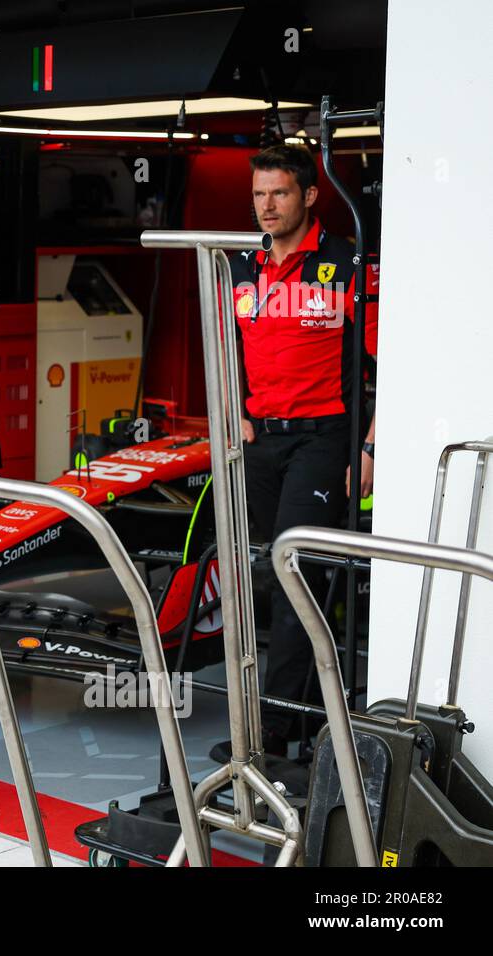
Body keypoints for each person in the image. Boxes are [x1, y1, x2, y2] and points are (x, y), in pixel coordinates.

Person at [224, 144, 378, 757]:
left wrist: (370, 448)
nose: (266, 206)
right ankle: (311, 716)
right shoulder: (240, 264)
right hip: (263, 443)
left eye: (279, 193)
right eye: (259, 194)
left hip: (325, 439)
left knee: (294, 575)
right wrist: (235, 407)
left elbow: (392, 359)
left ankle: (271, 732)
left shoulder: (345, 262)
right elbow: (227, 345)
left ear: (310, 195)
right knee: (275, 576)